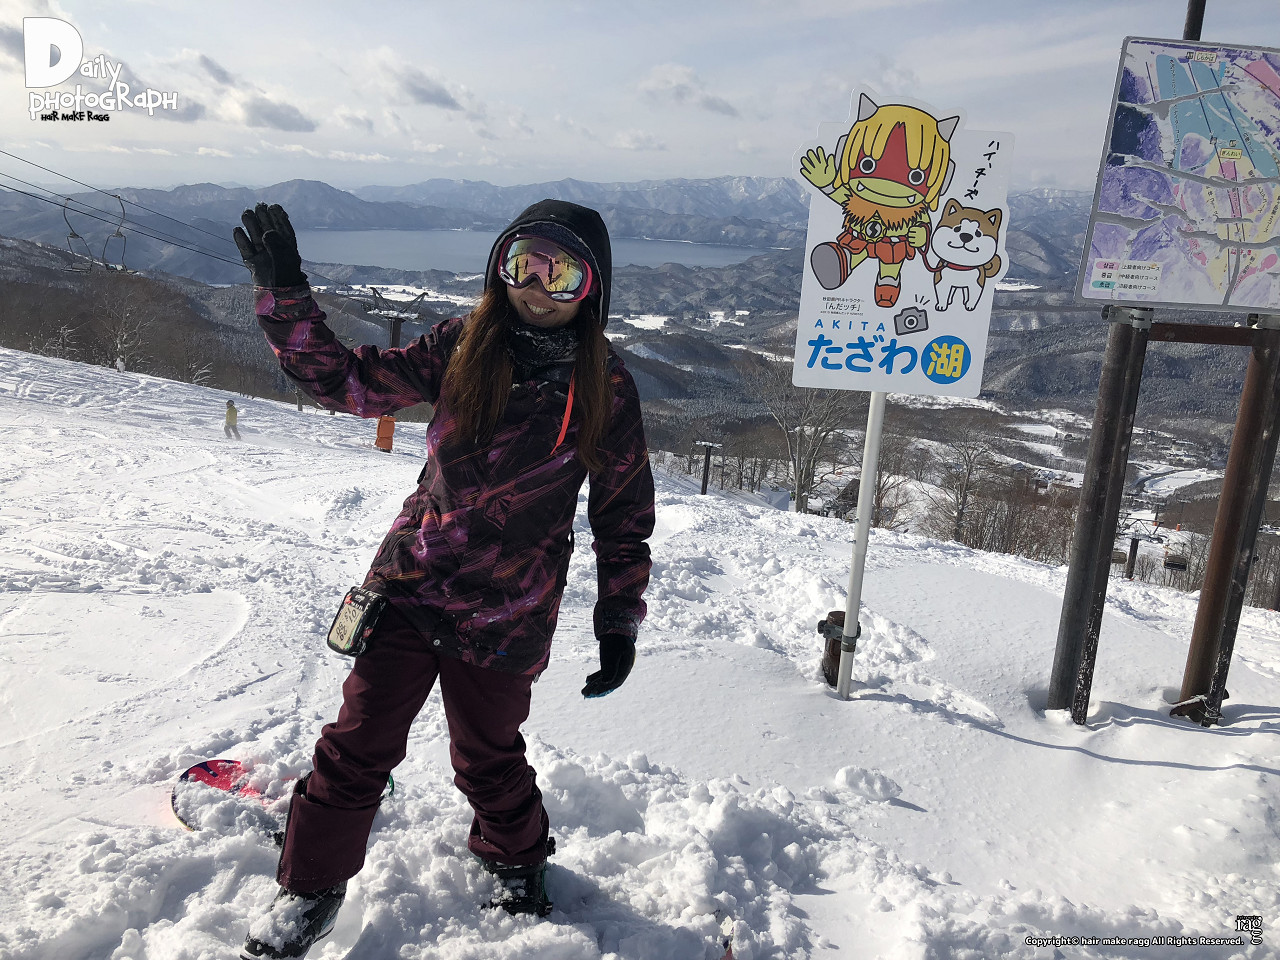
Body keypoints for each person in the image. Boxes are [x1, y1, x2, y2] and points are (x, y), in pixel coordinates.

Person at [232, 200, 655, 959]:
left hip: (509, 611)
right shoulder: (462, 344)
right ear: (500, 266)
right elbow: (347, 384)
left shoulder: (606, 386)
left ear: (592, 287)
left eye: (561, 273)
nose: (537, 288)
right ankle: (310, 889)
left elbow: (623, 514)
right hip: (414, 582)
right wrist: (285, 294)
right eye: (524, 264)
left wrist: (618, 619)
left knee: (487, 758)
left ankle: (517, 861)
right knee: (357, 742)